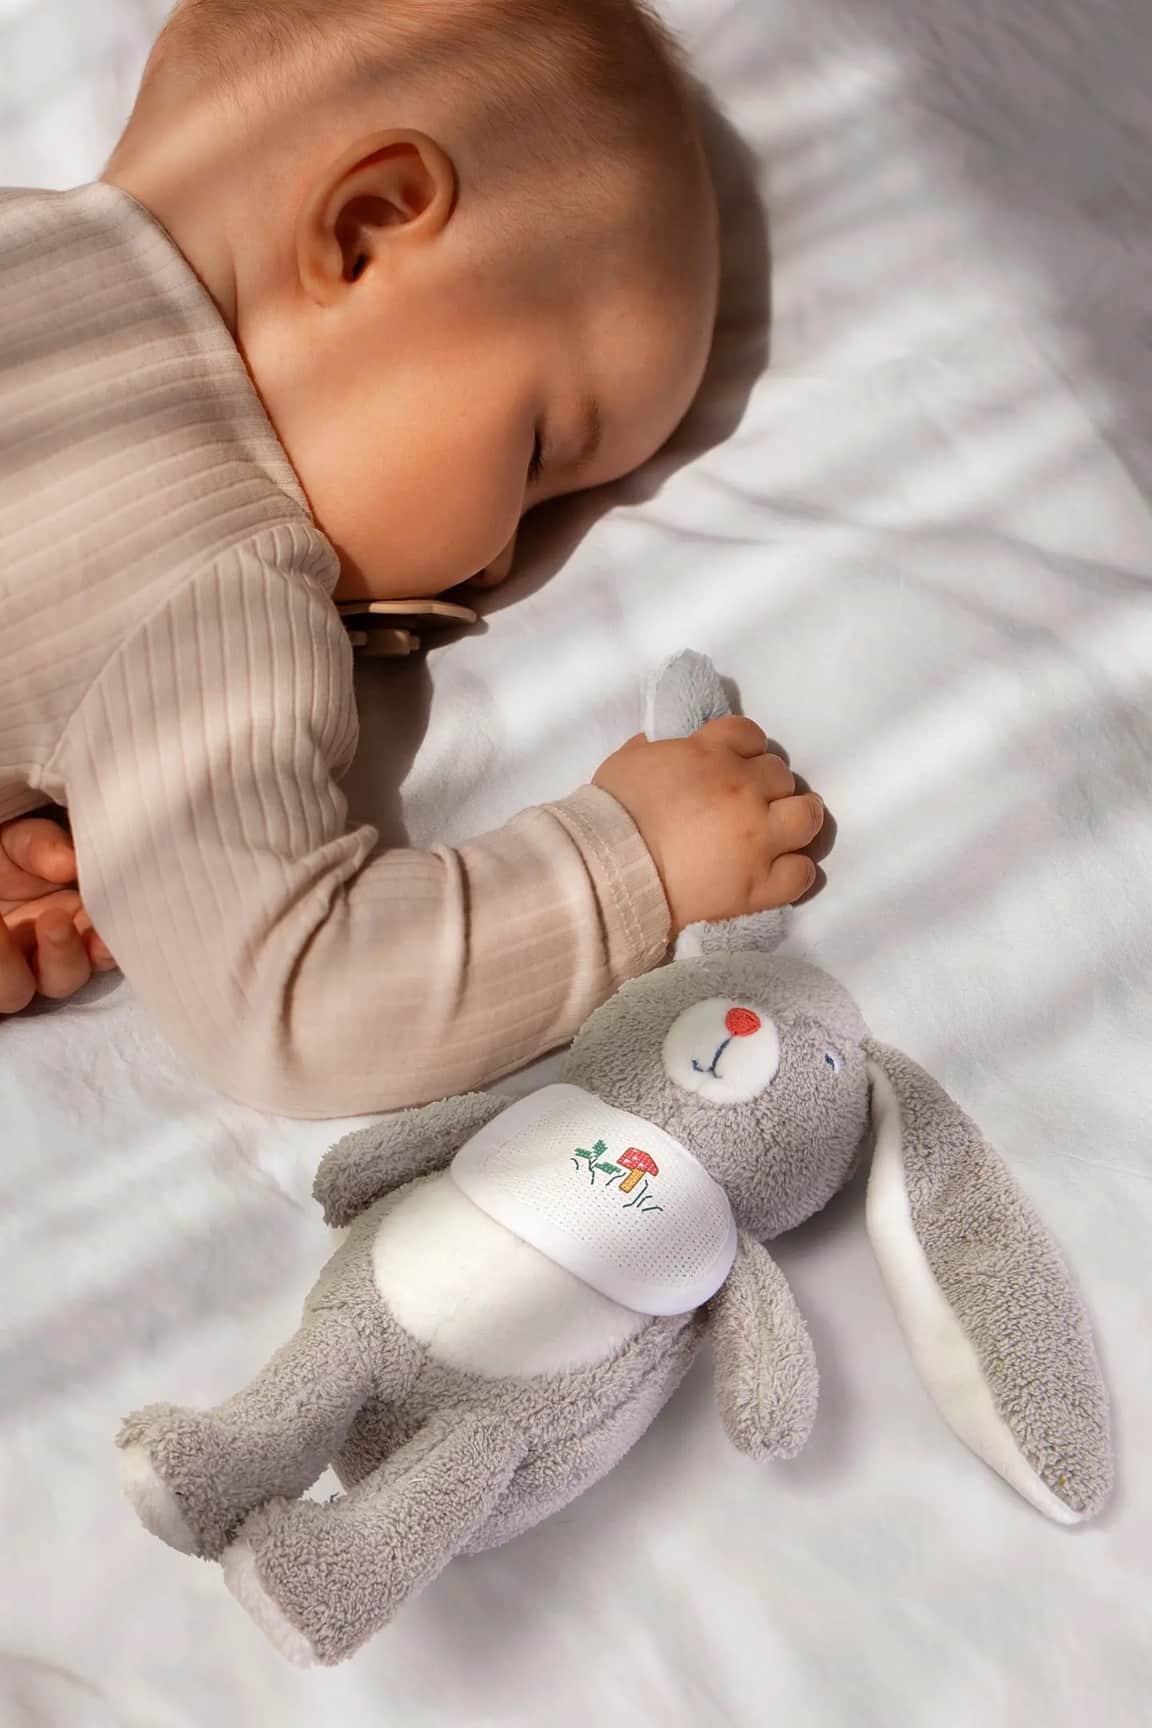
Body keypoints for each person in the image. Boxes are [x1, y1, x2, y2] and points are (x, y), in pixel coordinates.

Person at [0, 0, 824, 1112]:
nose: (502, 563)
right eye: (537, 454)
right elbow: (298, 1003)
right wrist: (636, 860)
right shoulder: (207, 579)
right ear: (365, 230)